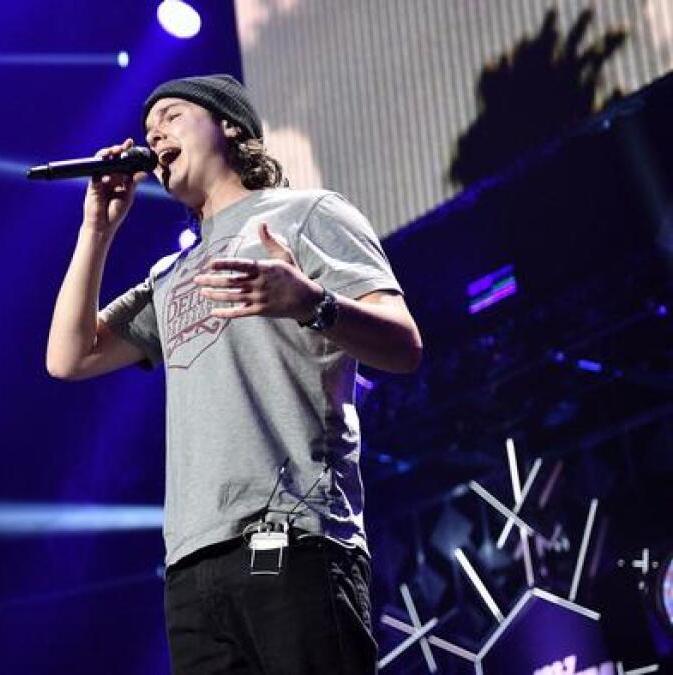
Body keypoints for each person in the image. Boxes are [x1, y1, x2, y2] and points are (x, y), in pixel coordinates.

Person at [46, 74, 422, 674]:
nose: (154, 132)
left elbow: (403, 345)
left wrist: (310, 302)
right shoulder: (170, 274)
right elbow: (69, 355)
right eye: (149, 130)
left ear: (229, 125)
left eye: (171, 115)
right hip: (193, 570)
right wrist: (98, 228)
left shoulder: (306, 214)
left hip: (294, 538)